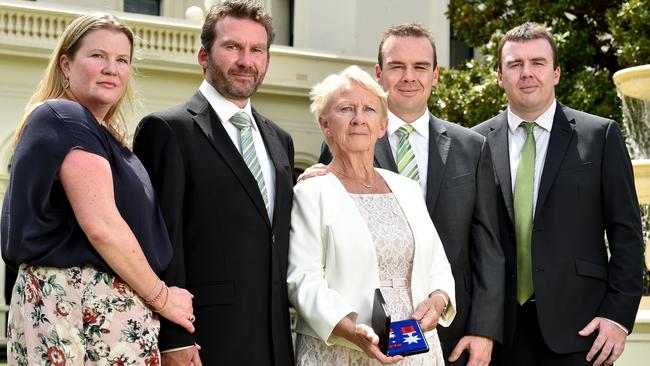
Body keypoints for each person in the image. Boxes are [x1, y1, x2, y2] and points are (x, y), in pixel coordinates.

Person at [1, 13, 195, 365]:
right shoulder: (64, 116)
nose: (111, 68)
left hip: (108, 311)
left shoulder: (107, 138)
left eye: (122, 60)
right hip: (73, 307)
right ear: (66, 64)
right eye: (97, 56)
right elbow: (102, 226)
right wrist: (163, 298)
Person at [316, 23, 504, 366]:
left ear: (435, 75)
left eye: (420, 67)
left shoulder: (472, 148)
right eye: (396, 66)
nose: (408, 77)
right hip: (366, 334)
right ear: (379, 73)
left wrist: (483, 330)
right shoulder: (345, 139)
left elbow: (488, 247)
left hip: (452, 332)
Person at [132, 1, 295, 365]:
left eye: (257, 50)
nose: (246, 60)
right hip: (204, 342)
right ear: (204, 56)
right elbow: (160, 242)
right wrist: (173, 339)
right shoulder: (167, 130)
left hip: (275, 342)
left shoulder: (280, 139)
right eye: (232, 47)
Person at [472, 22, 643, 366]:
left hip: (582, 330)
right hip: (500, 333)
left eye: (537, 63)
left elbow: (627, 233)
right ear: (500, 77)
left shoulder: (600, 136)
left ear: (556, 73)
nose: (527, 73)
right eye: (514, 64)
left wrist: (617, 317)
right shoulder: (475, 144)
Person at [289, 64, 456, 366]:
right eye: (345, 109)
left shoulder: (407, 189)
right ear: (325, 123)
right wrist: (351, 329)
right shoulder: (311, 193)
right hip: (341, 351)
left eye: (368, 109)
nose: (358, 118)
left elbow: (438, 265)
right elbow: (302, 280)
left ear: (382, 125)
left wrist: (439, 299)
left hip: (415, 350)